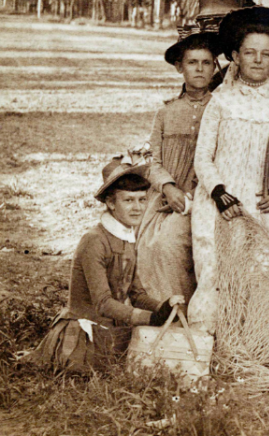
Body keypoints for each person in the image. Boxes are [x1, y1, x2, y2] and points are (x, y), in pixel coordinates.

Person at [188, 6, 269, 332]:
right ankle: (217, 336)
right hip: (224, 202)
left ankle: (264, 338)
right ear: (235, 56)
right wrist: (218, 193)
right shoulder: (221, 100)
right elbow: (203, 158)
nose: (258, 60)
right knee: (218, 269)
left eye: (266, 54)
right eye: (250, 53)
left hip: (267, 201)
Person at [27, 160, 183, 373]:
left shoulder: (128, 237)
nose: (137, 208)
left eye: (141, 200)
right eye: (128, 200)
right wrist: (150, 318)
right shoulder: (95, 240)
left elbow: (136, 293)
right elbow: (103, 303)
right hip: (84, 339)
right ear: (111, 203)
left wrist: (162, 308)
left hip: (111, 333)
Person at [137, 32, 220, 305]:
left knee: (171, 242)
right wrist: (168, 187)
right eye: (192, 62)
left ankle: (190, 310)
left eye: (206, 63)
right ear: (179, 68)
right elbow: (154, 160)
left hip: (208, 195)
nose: (199, 69)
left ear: (215, 67)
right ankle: (166, 310)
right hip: (170, 196)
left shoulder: (222, 108)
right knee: (153, 243)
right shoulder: (167, 112)